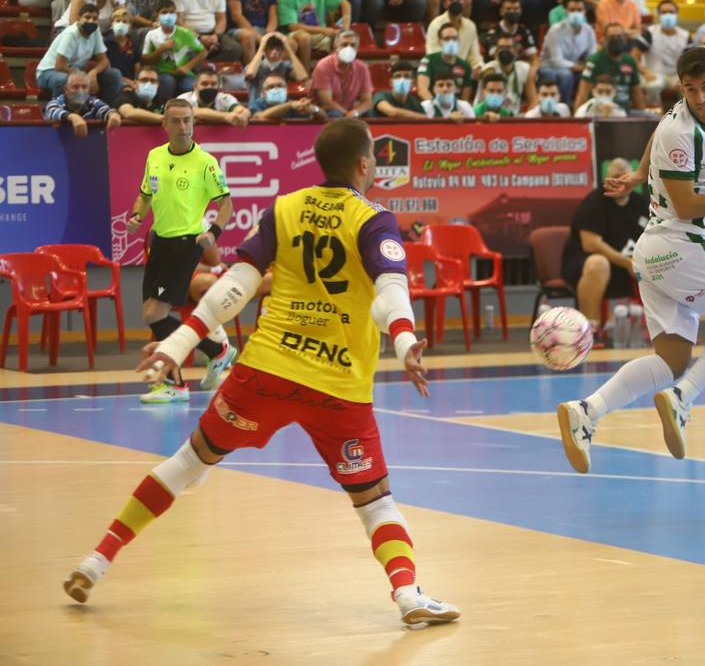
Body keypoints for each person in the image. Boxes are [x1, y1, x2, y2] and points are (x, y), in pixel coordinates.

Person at [65, 118, 458, 626]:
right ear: (364, 165)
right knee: (375, 502)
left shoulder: (285, 207)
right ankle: (407, 595)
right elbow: (390, 294)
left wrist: (181, 341)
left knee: (188, 463)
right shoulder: (375, 220)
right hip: (337, 387)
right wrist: (405, 342)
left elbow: (236, 285)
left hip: (266, 372)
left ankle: (94, 563)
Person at [556, 47, 705, 474]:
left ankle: (587, 411)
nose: (700, 98)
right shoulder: (680, 131)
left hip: (656, 252)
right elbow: (688, 205)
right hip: (680, 240)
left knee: (670, 359)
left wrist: (638, 174)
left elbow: (656, 129)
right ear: (681, 89)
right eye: (690, 90)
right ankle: (682, 397)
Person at [120, 99, 237, 403]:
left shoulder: (206, 162)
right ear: (165, 124)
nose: (183, 127)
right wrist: (136, 216)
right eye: (177, 121)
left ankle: (181, 379)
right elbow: (144, 196)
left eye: (188, 120)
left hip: (187, 242)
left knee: (154, 312)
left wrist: (214, 232)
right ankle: (212, 353)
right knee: (154, 315)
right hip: (159, 241)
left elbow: (226, 204)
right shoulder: (155, 156)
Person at [36, 5, 122, 104]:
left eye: (95, 18)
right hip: (48, 72)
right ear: (79, 18)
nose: (91, 21)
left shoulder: (96, 31)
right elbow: (59, 66)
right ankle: (59, 113)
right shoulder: (71, 34)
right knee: (63, 80)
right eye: (87, 17)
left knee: (114, 74)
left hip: (76, 72)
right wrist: (83, 78)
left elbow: (104, 60)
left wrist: (93, 73)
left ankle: (107, 111)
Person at [142, 0, 208, 98]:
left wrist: (187, 67)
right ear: (157, 16)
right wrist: (160, 50)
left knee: (191, 86)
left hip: (184, 73)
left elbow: (203, 52)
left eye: (171, 12)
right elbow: (145, 60)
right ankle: (161, 108)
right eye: (164, 12)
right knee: (168, 82)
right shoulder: (151, 35)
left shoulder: (186, 33)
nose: (168, 15)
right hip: (163, 73)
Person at [576, 22, 645, 112]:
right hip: (598, 112)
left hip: (624, 112)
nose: (616, 40)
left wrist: (643, 115)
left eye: (619, 37)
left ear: (624, 39)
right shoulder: (594, 62)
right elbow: (583, 93)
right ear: (604, 40)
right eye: (612, 37)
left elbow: (636, 93)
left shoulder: (630, 61)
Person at [43, 68, 123, 136]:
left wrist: (113, 115)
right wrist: (74, 117)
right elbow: (52, 110)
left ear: (89, 90)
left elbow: (105, 109)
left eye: (84, 87)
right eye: (75, 87)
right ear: (66, 89)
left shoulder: (92, 101)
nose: (80, 91)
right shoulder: (56, 102)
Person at [311, 30, 373, 117]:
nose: (349, 48)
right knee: (335, 114)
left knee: (368, 112)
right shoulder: (323, 66)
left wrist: (355, 112)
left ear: (357, 48)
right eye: (344, 45)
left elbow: (367, 101)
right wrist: (347, 115)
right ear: (335, 47)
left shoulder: (362, 68)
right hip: (326, 112)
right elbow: (327, 102)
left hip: (349, 111)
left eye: (353, 45)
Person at [417, 21, 475, 103]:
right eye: (447, 39)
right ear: (440, 42)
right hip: (432, 107)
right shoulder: (428, 60)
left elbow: (465, 99)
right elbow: (422, 90)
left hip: (455, 110)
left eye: (454, 38)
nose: (451, 42)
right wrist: (437, 108)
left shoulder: (465, 66)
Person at [242, 31, 308, 102]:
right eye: (271, 49)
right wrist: (261, 47)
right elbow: (250, 74)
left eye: (278, 49)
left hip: (281, 105)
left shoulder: (286, 66)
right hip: (258, 107)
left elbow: (302, 77)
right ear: (265, 51)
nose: (274, 52)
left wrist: (289, 50)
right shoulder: (255, 66)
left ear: (283, 52)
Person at [178, 67, 250, 127]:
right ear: (195, 86)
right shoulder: (184, 99)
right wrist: (226, 116)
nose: (209, 87)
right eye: (204, 84)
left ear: (218, 87)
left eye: (213, 84)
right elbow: (196, 111)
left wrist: (243, 115)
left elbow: (242, 110)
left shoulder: (224, 98)